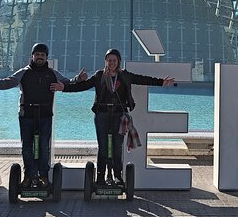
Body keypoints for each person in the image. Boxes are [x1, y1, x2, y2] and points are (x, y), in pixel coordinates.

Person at [51, 48, 174, 186]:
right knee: (103, 147)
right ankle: (100, 177)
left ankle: (117, 176)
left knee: (117, 146)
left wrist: (161, 82)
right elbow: (83, 86)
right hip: (102, 114)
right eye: (109, 60)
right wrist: (64, 88)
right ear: (106, 61)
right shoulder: (99, 76)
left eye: (114, 60)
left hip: (119, 115)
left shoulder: (125, 75)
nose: (111, 63)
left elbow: (142, 79)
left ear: (118, 61)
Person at [0, 43, 86, 189]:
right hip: (27, 116)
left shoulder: (52, 73)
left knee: (44, 147)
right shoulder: (24, 72)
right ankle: (29, 176)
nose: (39, 57)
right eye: (37, 54)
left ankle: (43, 176)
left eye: (42, 55)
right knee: (26, 147)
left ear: (46, 57)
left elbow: (68, 83)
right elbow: (6, 83)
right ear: (32, 56)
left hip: (45, 115)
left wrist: (79, 79)